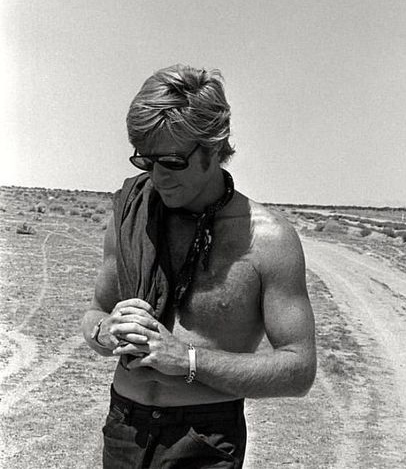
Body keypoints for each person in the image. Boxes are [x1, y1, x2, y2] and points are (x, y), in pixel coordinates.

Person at [81, 64, 316, 469]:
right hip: (125, 427)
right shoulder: (131, 215)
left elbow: (298, 370)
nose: (157, 177)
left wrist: (187, 360)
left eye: (172, 162)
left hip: (203, 438)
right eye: (145, 162)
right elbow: (95, 314)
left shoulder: (268, 240)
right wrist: (107, 330)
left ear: (214, 146)